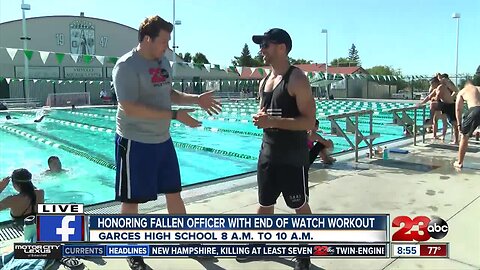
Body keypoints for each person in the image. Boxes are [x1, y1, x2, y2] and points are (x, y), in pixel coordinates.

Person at [112, 15, 221, 270]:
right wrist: (174, 115)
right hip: (135, 142)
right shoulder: (126, 66)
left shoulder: (163, 62)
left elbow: (168, 92)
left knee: (174, 192)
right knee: (132, 200)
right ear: (148, 39)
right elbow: (129, 107)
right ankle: (133, 252)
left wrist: (196, 100)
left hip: (162, 140)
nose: (168, 46)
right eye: (164, 40)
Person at [251, 28, 315, 270]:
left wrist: (272, 121)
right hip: (267, 154)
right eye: (261, 45)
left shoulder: (297, 78)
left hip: (291, 157)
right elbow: (266, 114)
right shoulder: (265, 80)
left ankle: (304, 254)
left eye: (266, 45)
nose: (261, 49)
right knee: (265, 204)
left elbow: (309, 122)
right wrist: (261, 118)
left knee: (299, 206)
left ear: (282, 48)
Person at [419, 76, 459, 143]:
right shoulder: (436, 89)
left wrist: (433, 98)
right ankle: (431, 120)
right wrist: (421, 103)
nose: (431, 86)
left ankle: (456, 140)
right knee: (433, 104)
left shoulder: (441, 87)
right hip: (445, 105)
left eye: (431, 84)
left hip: (450, 105)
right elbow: (429, 97)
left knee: (454, 124)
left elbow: (437, 98)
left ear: (435, 83)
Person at [454, 77, 480, 168]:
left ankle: (459, 162)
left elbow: (458, 109)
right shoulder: (479, 88)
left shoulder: (463, 91)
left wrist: (459, 124)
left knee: (464, 136)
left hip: (474, 110)